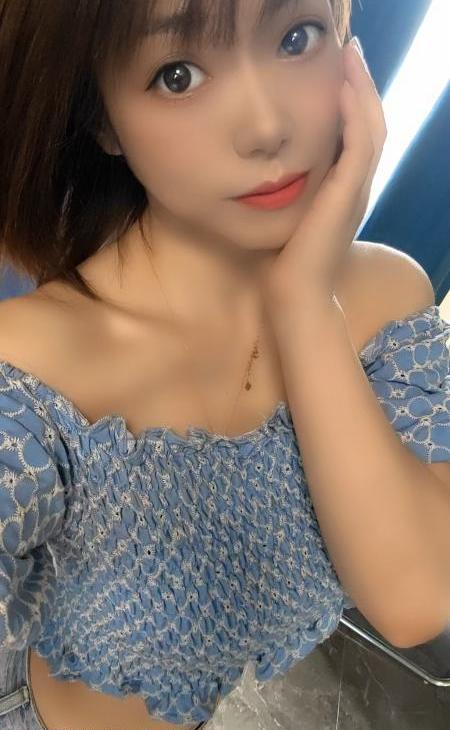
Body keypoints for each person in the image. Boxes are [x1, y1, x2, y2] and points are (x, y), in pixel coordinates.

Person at [1, 1, 449, 729]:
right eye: (177, 75)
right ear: (102, 121)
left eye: (297, 37)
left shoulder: (387, 298)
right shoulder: (30, 378)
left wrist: (305, 303)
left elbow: (417, 597)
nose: (266, 126)